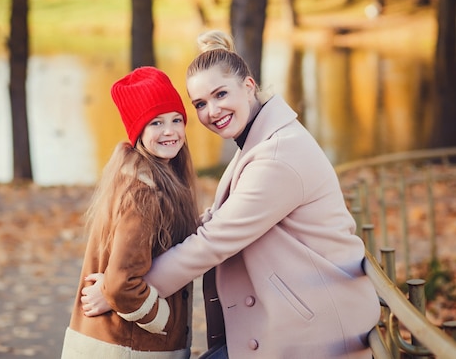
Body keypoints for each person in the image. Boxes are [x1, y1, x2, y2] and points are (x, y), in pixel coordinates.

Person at [82, 31, 381, 358]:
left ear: (249, 86)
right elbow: (222, 218)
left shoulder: (278, 156)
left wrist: (118, 290)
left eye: (220, 94)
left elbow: (214, 240)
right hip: (288, 311)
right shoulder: (258, 139)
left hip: (317, 326)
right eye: (200, 104)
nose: (212, 111)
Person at [60, 66, 201, 358]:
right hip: (129, 347)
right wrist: (164, 318)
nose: (170, 131)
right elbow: (123, 284)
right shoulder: (143, 193)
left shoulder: (157, 179)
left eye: (176, 120)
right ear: (138, 131)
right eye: (156, 123)